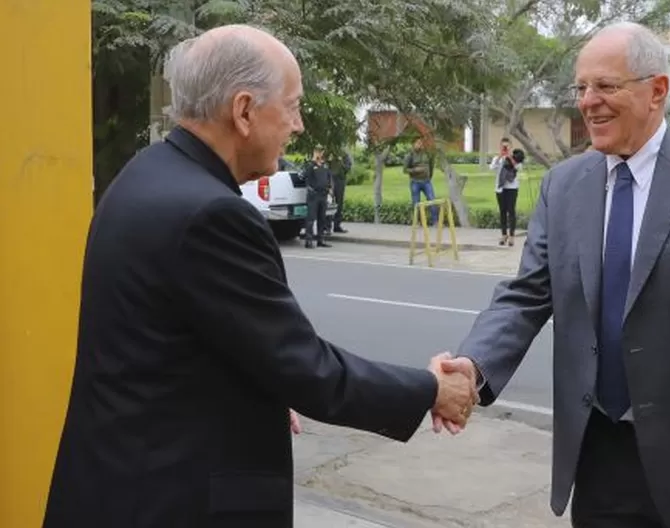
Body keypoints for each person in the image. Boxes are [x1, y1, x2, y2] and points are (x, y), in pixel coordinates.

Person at [42, 25, 476, 528]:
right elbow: (307, 368)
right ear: (244, 110)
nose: (299, 126)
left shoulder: (148, 174)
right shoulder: (211, 214)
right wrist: (429, 389)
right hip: (169, 500)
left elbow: (179, 343)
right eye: (292, 106)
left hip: (115, 483)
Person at [437, 21, 670, 528]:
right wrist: (474, 364)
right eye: (582, 88)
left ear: (657, 90)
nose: (588, 102)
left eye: (606, 86)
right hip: (600, 452)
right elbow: (527, 295)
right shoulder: (564, 185)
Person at [490, 137, 525, 246]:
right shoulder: (498, 158)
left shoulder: (516, 158)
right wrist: (501, 156)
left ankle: (512, 236)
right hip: (500, 188)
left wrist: (509, 157)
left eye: (507, 146)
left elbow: (518, 167)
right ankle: (504, 234)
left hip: (512, 188)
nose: (505, 147)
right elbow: (492, 167)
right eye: (503, 146)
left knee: (511, 211)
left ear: (510, 147)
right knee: (502, 211)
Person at [403, 136, 438, 225]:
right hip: (415, 182)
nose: (420, 145)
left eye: (421, 143)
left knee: (432, 200)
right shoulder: (409, 155)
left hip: (426, 181)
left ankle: (435, 221)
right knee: (416, 203)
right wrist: (415, 170)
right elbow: (404, 170)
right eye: (418, 143)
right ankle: (417, 222)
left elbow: (431, 165)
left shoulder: (427, 153)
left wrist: (429, 176)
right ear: (413, 144)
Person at [302, 146, 332, 248]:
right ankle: (309, 240)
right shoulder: (310, 165)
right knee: (311, 219)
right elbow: (304, 175)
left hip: (323, 195)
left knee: (322, 218)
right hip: (313, 195)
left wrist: (330, 188)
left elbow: (329, 178)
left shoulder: (325, 166)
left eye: (321, 152)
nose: (320, 154)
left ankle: (320, 239)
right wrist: (313, 162)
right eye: (318, 152)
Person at [330, 150, 352, 234]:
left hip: (340, 180)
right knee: (329, 202)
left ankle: (337, 225)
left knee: (339, 203)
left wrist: (341, 162)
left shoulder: (344, 154)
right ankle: (326, 226)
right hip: (330, 180)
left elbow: (348, 167)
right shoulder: (329, 152)